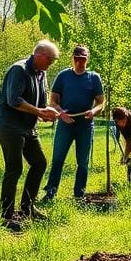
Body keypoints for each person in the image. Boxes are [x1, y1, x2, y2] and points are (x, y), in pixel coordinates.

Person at [0, 40, 60, 224]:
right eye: (50, 60)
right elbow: (13, 100)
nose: (51, 64)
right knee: (14, 168)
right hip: (8, 125)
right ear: (39, 55)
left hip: (27, 127)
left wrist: (47, 113)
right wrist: (39, 112)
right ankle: (6, 216)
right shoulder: (19, 70)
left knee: (39, 163)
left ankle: (27, 207)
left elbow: (38, 104)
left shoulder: (41, 74)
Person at [42, 45, 105, 203]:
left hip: (85, 124)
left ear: (87, 59)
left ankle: (79, 195)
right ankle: (50, 192)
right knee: (58, 159)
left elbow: (100, 102)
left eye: (83, 59)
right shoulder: (63, 76)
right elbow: (53, 100)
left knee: (83, 162)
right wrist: (61, 113)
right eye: (77, 58)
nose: (80, 62)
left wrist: (94, 111)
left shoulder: (94, 78)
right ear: (73, 58)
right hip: (65, 123)